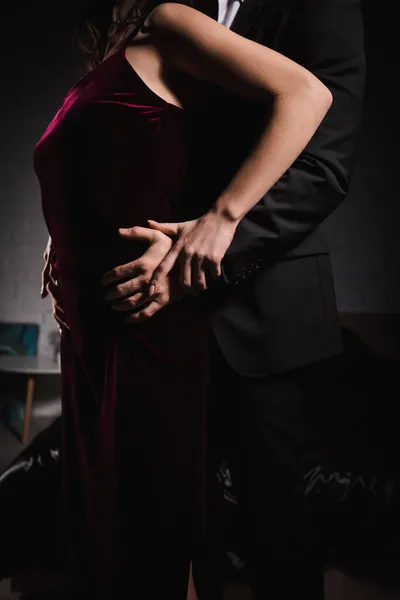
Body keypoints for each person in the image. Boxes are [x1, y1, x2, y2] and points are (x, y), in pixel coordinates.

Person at [37, 0, 332, 597]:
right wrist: (60, 246)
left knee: (159, 535)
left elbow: (308, 95)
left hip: (146, 324)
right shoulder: (110, 57)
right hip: (91, 342)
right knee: (113, 538)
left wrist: (222, 219)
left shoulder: (170, 21)